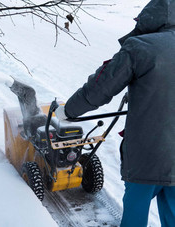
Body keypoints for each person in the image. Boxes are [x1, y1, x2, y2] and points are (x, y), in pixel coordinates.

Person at [55, 0, 175, 226]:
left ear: (151, 18)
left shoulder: (140, 47)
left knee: (135, 217)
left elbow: (99, 89)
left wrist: (69, 111)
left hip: (147, 157)